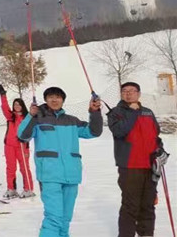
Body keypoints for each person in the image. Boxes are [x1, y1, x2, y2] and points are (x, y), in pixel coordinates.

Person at [18, 86, 103, 237]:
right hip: (49, 175)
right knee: (54, 216)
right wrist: (31, 116)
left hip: (71, 174)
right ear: (46, 100)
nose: (54, 100)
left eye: (58, 97)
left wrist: (94, 112)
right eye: (51, 97)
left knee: (65, 217)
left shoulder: (72, 121)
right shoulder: (38, 119)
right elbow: (23, 136)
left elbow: (94, 131)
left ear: (63, 100)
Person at [107, 81, 163, 237]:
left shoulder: (148, 112)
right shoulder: (116, 112)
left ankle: (147, 234)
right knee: (130, 206)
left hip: (150, 165)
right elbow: (120, 131)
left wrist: (160, 149)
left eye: (132, 91)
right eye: (125, 91)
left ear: (138, 94)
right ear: (121, 94)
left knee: (148, 204)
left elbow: (155, 135)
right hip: (130, 166)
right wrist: (132, 112)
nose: (128, 93)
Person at [0, 84, 34, 199]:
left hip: (22, 146)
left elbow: (31, 131)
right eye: (15, 104)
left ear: (22, 106)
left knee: (24, 168)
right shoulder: (11, 117)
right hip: (9, 146)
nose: (17, 106)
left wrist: (25, 138)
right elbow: (5, 108)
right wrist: (3, 96)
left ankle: (28, 188)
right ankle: (11, 189)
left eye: (19, 104)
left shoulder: (27, 117)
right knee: (10, 168)